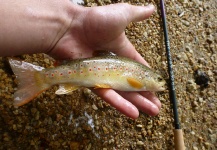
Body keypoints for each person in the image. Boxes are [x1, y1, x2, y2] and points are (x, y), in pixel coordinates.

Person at [0, 0, 161, 119]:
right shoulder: (139, 80)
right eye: (158, 79)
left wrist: (67, 25)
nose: (161, 84)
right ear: (148, 76)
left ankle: (42, 77)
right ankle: (40, 78)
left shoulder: (140, 78)